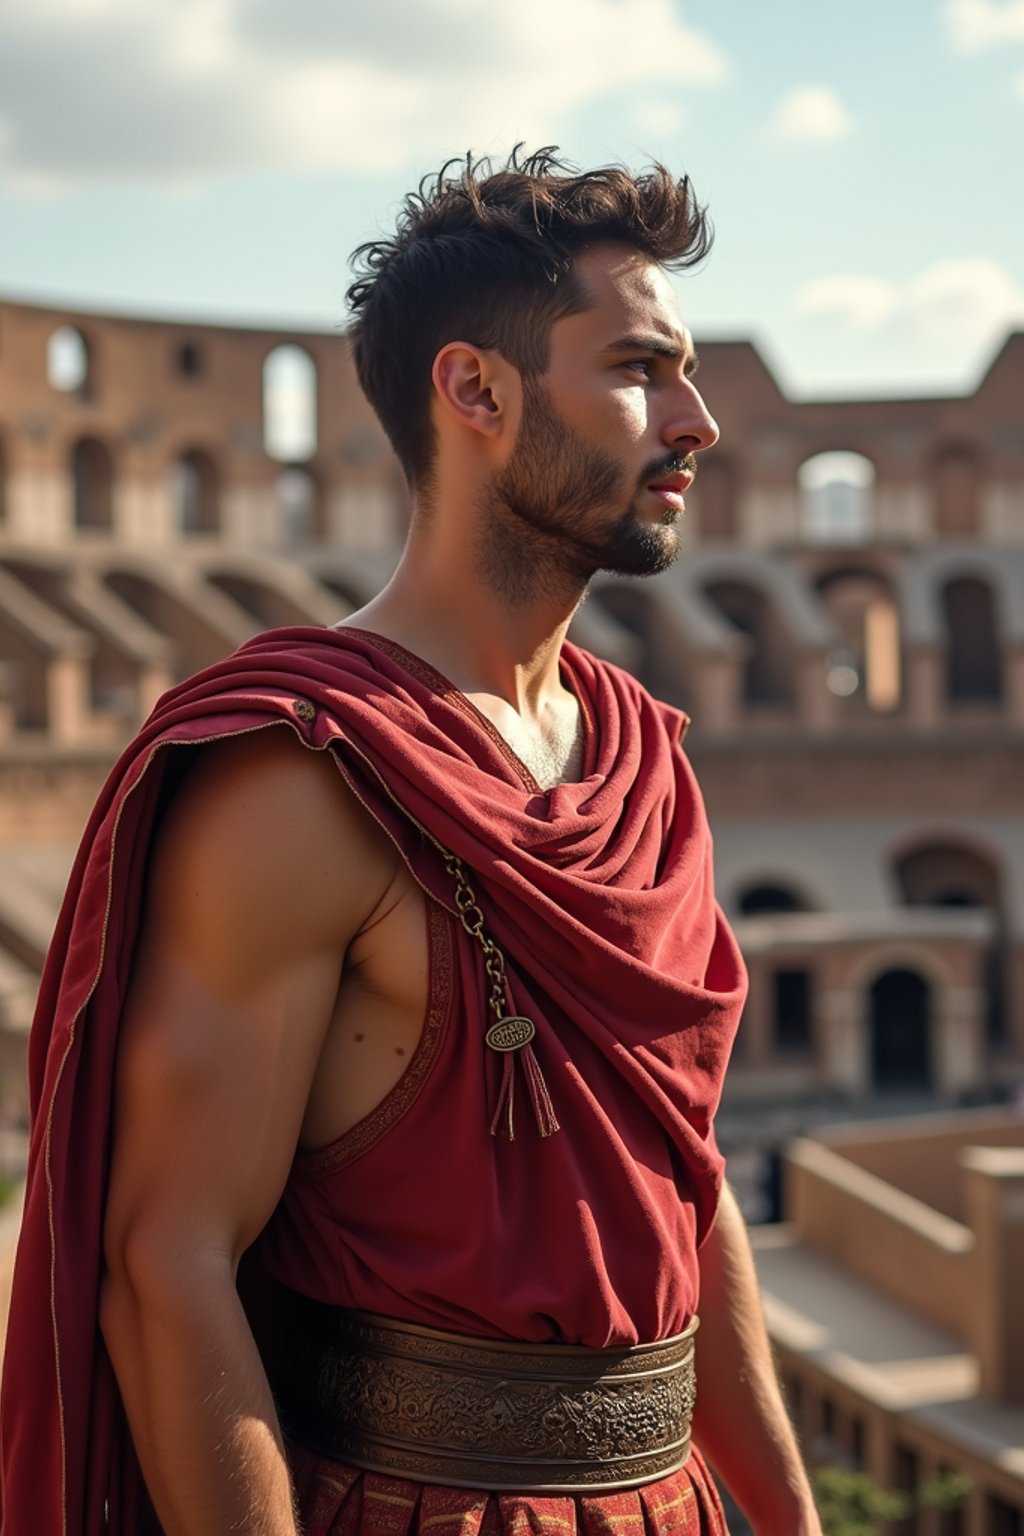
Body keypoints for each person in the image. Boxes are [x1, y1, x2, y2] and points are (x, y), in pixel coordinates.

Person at [0, 149, 821, 1535]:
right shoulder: (304, 776)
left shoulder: (639, 755)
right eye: (637, 369)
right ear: (476, 391)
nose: (696, 422)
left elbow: (682, 1182)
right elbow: (167, 1260)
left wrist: (786, 1519)